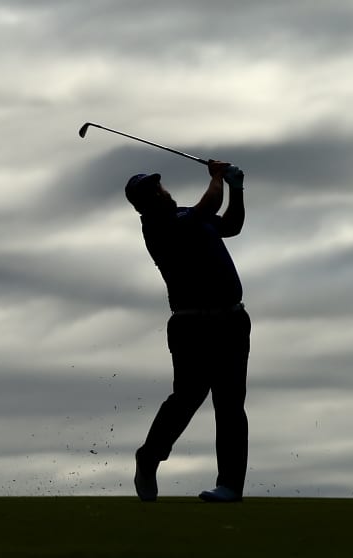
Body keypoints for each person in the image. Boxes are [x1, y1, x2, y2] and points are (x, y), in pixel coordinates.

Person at [125, 160, 250, 503]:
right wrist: (217, 178)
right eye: (151, 193)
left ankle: (230, 486)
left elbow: (231, 225)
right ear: (141, 205)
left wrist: (237, 189)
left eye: (158, 187)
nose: (159, 193)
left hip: (231, 321)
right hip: (192, 325)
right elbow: (208, 206)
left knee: (230, 403)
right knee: (188, 397)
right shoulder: (159, 226)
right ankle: (149, 456)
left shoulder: (185, 215)